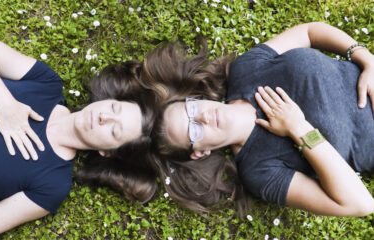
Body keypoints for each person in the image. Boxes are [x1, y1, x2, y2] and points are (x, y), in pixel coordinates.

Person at [0, 29, 153, 239]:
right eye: (114, 108)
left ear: (106, 152)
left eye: (114, 130)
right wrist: (6, 105)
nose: (104, 117)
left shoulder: (52, 184)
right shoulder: (47, 84)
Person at [151, 22, 374, 217]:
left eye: (191, 109)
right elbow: (360, 204)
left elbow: (309, 32)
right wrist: (299, 128)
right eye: (194, 131)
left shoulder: (246, 69)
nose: (203, 117)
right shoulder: (259, 171)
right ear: (200, 152)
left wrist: (366, 59)